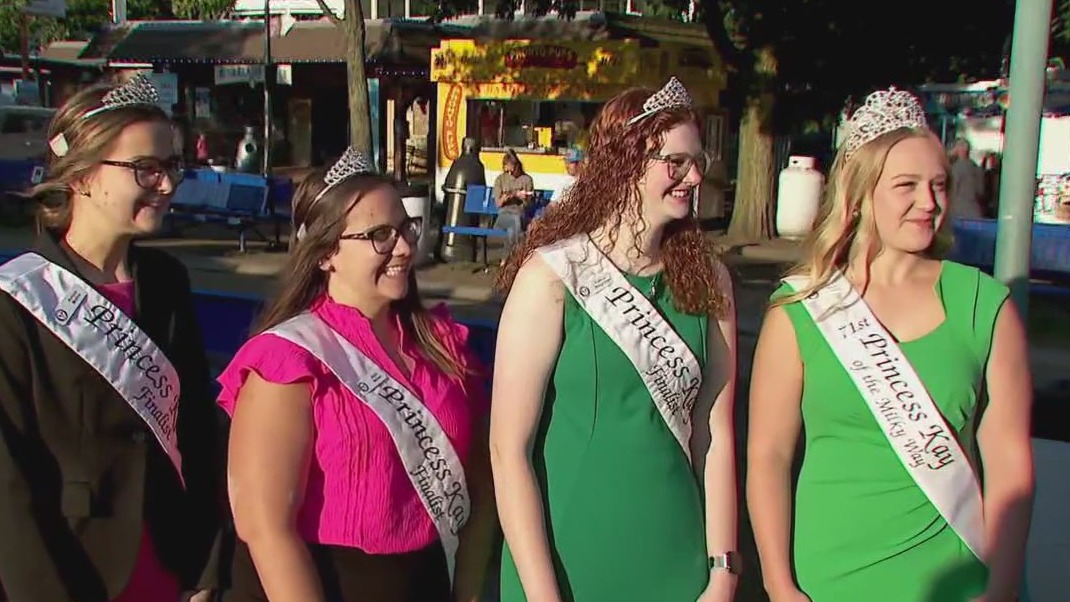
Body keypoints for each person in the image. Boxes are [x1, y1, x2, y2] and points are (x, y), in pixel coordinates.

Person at [747, 87, 1034, 602]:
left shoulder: (984, 304)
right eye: (907, 186)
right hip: (830, 577)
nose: (929, 203)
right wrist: (778, 583)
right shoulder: (802, 307)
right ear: (860, 195)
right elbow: (768, 455)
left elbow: (1010, 461)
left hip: (956, 578)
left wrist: (1003, 588)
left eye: (939, 185)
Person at [490, 77, 740, 602]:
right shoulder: (552, 276)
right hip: (567, 560)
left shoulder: (710, 279)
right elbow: (508, 450)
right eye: (676, 162)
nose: (695, 176)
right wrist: (542, 595)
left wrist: (723, 571)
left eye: (698, 161)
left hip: (675, 556)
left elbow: (714, 431)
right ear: (626, 162)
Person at [217, 147, 495, 602]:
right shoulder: (289, 359)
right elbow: (265, 527)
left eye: (406, 228)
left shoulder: (443, 345)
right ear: (326, 253)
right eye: (379, 235)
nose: (404, 247)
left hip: (431, 578)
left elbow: (481, 484)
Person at [0, 74, 222, 602]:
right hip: (73, 569)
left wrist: (208, 566)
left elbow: (197, 433)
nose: (166, 185)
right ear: (81, 176)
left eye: (172, 166)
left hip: (170, 565)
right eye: (146, 168)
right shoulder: (18, 300)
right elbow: (8, 480)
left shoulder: (167, 283)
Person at [491, 149, 535, 260]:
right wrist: (506, 197)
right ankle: (516, 257)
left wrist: (524, 198)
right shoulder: (500, 179)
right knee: (515, 222)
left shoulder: (527, 180)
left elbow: (529, 204)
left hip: (520, 214)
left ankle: (506, 260)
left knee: (513, 226)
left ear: (517, 166)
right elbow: (498, 204)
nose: (510, 173)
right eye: (507, 171)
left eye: (512, 170)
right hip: (503, 215)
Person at [949, 138, 985, 219]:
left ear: (959, 149)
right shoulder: (977, 168)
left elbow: (952, 190)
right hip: (975, 212)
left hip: (959, 212)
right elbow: (981, 192)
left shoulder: (956, 168)